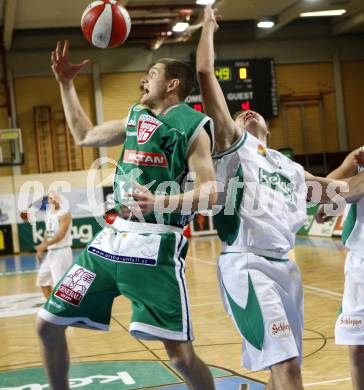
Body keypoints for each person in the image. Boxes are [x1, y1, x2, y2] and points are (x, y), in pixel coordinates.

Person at [196, 6, 364, 390]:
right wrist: (207, 26)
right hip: (247, 265)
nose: (245, 112)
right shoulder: (233, 148)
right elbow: (206, 73)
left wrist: (350, 164)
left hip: (286, 269)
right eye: (238, 115)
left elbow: (332, 192)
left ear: (269, 129)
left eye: (250, 114)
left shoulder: (287, 167)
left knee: (284, 371)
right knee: (286, 364)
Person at [36, 41, 217, 390]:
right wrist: (65, 84)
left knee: (180, 357)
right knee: (47, 324)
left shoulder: (193, 126)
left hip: (154, 246)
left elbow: (211, 193)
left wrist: (160, 202)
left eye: (151, 74)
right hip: (109, 242)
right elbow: (85, 134)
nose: (143, 81)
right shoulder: (136, 116)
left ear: (172, 84)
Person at [316, 147, 364, 390]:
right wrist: (347, 164)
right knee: (356, 346)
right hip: (360, 264)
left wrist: (332, 199)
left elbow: (331, 192)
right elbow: (325, 192)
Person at [34, 191, 73, 299]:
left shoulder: (65, 213)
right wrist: (41, 249)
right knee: (42, 280)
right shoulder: (49, 214)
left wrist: (44, 246)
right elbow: (48, 233)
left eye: (56, 198)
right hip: (51, 253)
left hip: (62, 252)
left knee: (60, 285)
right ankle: (51, 305)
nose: (54, 200)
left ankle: (64, 311)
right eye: (51, 198)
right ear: (49, 201)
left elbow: (60, 235)